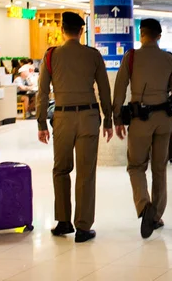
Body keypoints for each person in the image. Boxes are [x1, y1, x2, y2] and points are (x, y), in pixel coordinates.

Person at [36, 12, 113, 244]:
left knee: (61, 169)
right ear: (81, 32)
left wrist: (41, 123)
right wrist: (108, 118)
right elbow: (104, 90)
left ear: (62, 30)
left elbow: (41, 93)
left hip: (62, 118)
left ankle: (63, 221)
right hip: (89, 117)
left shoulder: (51, 56)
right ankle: (83, 227)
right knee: (86, 172)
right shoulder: (93, 55)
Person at [113, 19, 172, 239]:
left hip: (139, 121)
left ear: (141, 34)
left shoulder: (131, 57)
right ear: (159, 36)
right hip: (164, 121)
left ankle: (144, 206)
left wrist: (116, 118)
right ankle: (156, 216)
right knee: (160, 168)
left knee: (136, 166)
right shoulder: (170, 59)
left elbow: (119, 89)